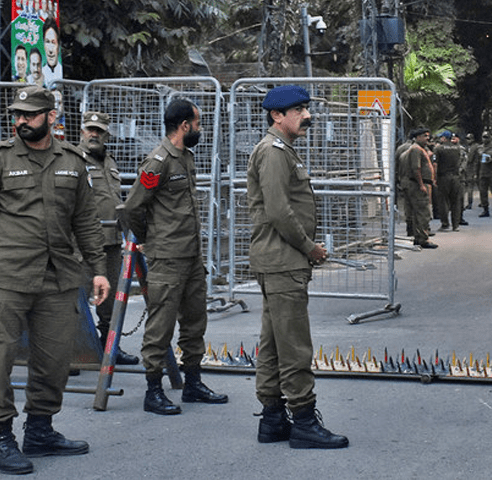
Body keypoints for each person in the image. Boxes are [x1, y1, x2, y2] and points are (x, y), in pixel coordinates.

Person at [0, 85, 110, 474]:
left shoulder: (73, 162)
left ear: (52, 117)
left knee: (55, 360)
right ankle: (0, 437)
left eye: (30, 114)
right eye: (17, 115)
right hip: (4, 276)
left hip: (57, 276)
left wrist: (98, 270)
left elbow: (86, 222)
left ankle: (40, 430)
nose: (21, 120)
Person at [248, 85, 349, 449]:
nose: (307, 116)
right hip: (283, 260)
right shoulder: (274, 153)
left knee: (274, 343)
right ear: (278, 115)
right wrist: (310, 248)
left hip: (279, 260)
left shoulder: (282, 151)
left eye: (306, 108)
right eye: (299, 110)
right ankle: (304, 421)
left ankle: (274, 420)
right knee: (294, 347)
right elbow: (278, 211)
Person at [124, 99, 228, 415]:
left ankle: (193, 383)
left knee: (195, 321)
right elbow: (132, 207)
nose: (200, 128)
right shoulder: (158, 161)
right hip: (167, 257)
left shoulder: (186, 157)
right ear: (184, 125)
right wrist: (147, 239)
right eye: (197, 123)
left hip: (191, 255)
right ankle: (153, 390)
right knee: (161, 325)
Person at [77, 111, 139, 365]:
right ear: (82, 131)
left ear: (106, 134)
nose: (94, 134)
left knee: (111, 300)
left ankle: (109, 347)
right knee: (76, 298)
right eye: (90, 129)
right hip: (83, 241)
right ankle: (74, 353)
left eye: (99, 131)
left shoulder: (108, 160)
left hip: (111, 240)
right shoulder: (73, 159)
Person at [401, 128, 438, 249]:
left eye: (428, 136)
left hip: (415, 184)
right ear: (417, 137)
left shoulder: (416, 149)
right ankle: (423, 238)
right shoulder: (416, 149)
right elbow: (416, 168)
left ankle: (418, 236)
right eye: (424, 136)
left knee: (417, 212)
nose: (427, 138)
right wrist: (421, 184)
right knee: (423, 212)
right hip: (418, 185)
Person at [433, 131, 464, 231]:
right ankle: (456, 225)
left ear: (444, 138)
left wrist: (434, 177)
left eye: (441, 137)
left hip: (443, 177)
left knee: (443, 201)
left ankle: (445, 224)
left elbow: (435, 164)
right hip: (456, 177)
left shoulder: (438, 148)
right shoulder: (458, 148)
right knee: (456, 202)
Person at [477, 131, 492, 217]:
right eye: (483, 137)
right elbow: (477, 161)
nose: (485, 139)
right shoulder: (479, 148)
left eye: (486, 137)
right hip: (483, 173)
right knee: (483, 192)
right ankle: (485, 209)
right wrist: (475, 173)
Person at [41, 16, 62, 88]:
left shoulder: (62, 72)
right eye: (47, 42)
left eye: (53, 42)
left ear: (58, 45)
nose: (50, 50)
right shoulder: (39, 74)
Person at [463, 133, 478, 209]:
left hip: (472, 169)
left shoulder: (473, 147)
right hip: (472, 169)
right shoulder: (470, 147)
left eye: (469, 139)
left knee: (470, 187)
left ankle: (469, 202)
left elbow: (470, 159)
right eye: (467, 138)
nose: (467, 140)